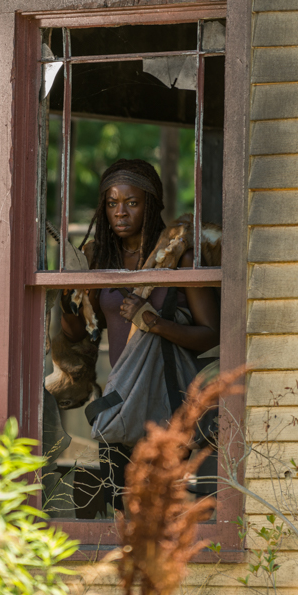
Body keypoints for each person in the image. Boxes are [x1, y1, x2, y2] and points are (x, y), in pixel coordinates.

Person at [59, 158, 220, 514]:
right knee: (121, 507)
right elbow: (82, 334)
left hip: (167, 402)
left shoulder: (179, 258)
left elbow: (212, 335)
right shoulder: (100, 259)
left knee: (163, 510)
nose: (120, 212)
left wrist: (154, 322)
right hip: (120, 402)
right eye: (112, 203)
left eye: (132, 202)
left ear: (152, 205)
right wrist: (66, 300)